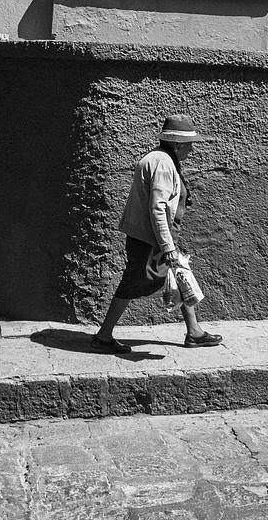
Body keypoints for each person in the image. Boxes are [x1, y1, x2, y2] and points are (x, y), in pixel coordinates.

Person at [91, 113, 222, 354]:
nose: (192, 149)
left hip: (159, 236)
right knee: (132, 283)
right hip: (151, 239)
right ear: (177, 144)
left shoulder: (161, 158)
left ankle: (194, 332)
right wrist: (167, 246)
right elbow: (157, 208)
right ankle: (103, 336)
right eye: (189, 144)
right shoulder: (163, 163)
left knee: (181, 275)